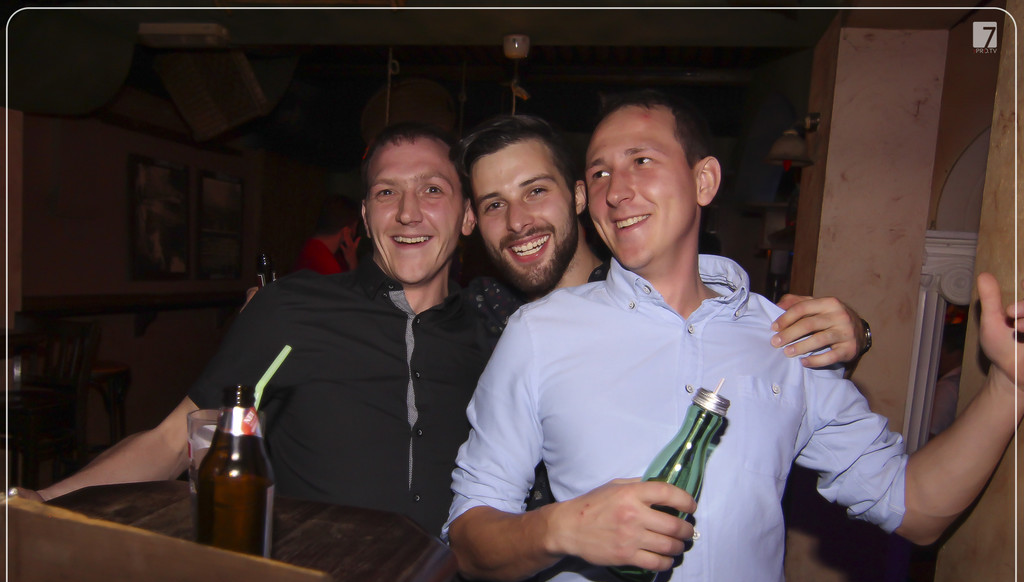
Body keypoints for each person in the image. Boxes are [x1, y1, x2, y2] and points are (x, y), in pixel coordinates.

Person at [444, 91, 1024, 582]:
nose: (616, 190)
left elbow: (913, 505)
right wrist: (562, 528)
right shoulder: (540, 334)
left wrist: (1008, 387)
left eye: (641, 160)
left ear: (704, 181)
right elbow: (470, 540)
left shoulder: (783, 340)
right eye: (599, 173)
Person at [28, 123, 487, 534]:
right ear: (365, 218)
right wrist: (43, 502)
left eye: (432, 189)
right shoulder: (291, 310)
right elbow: (173, 441)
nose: (408, 212)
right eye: (387, 192)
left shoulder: (495, 332)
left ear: (468, 215)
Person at [458, 114, 870, 364]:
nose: (517, 221)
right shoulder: (477, 313)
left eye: (536, 191)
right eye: (494, 204)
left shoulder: (660, 303)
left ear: (578, 197)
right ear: (472, 220)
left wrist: (847, 335)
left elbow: (760, 361)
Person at [292, 194, 362, 275]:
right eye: (355, 226)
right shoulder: (328, 266)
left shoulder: (309, 248)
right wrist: (353, 264)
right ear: (347, 231)